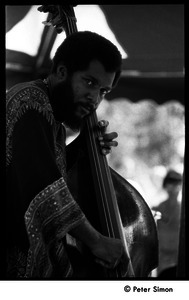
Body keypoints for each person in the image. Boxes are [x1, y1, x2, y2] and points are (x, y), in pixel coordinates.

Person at [6, 31, 129, 279]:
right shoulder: (30, 102)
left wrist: (86, 145)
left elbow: (47, 169)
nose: (95, 99)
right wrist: (96, 241)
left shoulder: (52, 119)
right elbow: (45, 188)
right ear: (61, 72)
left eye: (103, 91)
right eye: (90, 82)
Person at [152, 169, 182, 278]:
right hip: (163, 262)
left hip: (179, 260)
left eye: (177, 184)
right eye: (171, 184)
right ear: (166, 186)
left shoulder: (182, 210)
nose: (174, 188)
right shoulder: (158, 209)